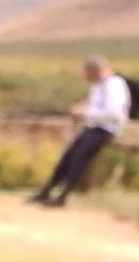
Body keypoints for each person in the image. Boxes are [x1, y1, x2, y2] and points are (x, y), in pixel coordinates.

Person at [29, 55, 130, 207]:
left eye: (86, 73)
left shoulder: (113, 85)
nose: (85, 77)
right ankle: (46, 190)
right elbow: (97, 107)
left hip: (106, 129)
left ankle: (63, 196)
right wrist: (83, 109)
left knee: (79, 159)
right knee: (68, 157)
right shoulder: (98, 85)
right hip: (93, 127)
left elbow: (113, 113)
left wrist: (85, 113)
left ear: (94, 71)